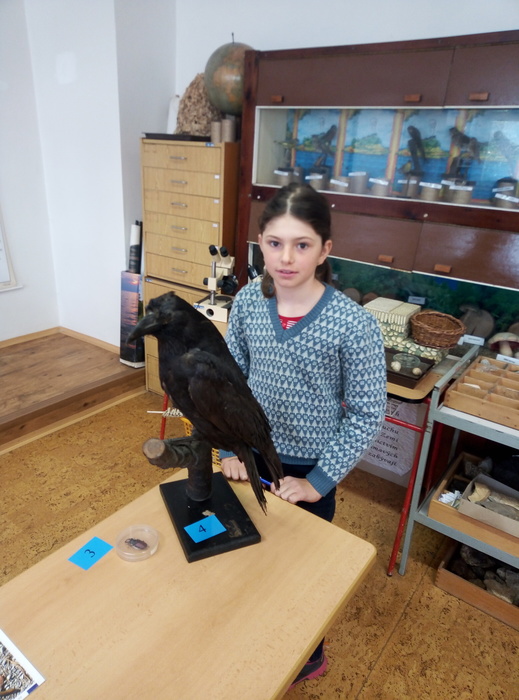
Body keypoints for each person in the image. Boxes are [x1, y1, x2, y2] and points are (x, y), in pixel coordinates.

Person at [220, 182, 387, 685]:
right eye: (275, 243)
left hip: (308, 468)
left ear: (325, 250)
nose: (286, 258)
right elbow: (230, 381)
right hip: (251, 455)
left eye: (302, 244)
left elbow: (367, 413)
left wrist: (318, 481)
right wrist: (229, 447)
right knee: (250, 551)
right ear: (261, 244)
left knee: (300, 570)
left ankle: (309, 654)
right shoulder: (248, 301)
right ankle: (256, 634)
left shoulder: (353, 325)